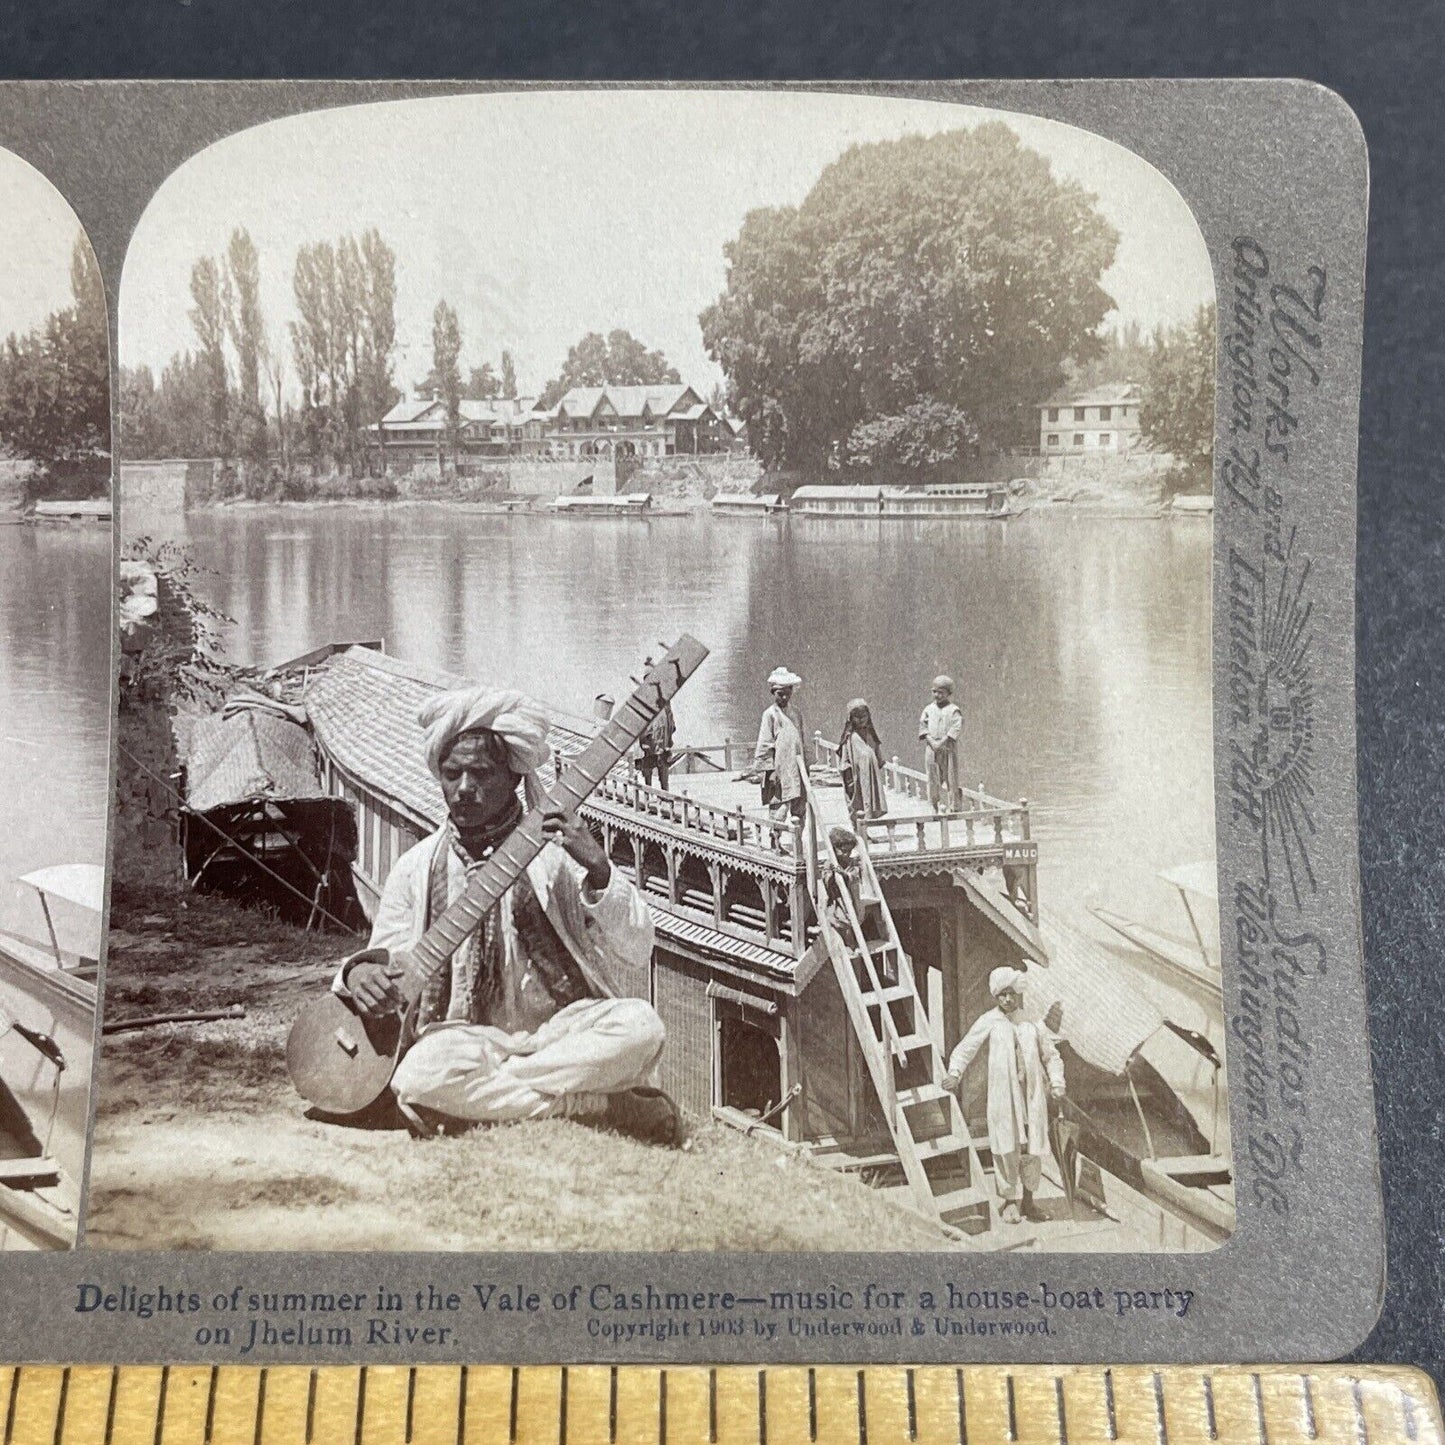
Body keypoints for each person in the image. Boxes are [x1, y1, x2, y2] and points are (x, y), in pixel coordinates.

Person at [335, 686, 681, 1146]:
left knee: (642, 1027)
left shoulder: (557, 858)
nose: (463, 789)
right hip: (464, 1040)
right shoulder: (417, 868)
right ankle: (598, 1105)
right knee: (417, 1075)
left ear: (514, 777)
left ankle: (489, 1100)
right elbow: (387, 958)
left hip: (563, 1032)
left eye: (480, 773)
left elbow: (638, 948)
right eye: (452, 773)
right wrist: (360, 972)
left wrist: (599, 867)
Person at [941, 966, 1065, 1225]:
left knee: (1032, 1148)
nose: (1008, 999)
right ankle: (1009, 1201)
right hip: (1004, 1097)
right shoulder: (990, 1021)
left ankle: (1029, 1202)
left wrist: (1056, 1081)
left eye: (1012, 994)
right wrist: (955, 1072)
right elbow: (966, 1047)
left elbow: (1050, 1054)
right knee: (1006, 1147)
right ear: (996, 996)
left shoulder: (1030, 1021)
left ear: (1018, 994)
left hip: (1030, 1097)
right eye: (1003, 995)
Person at [754, 667, 806, 822]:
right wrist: (770, 771)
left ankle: (797, 841)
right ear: (773, 693)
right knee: (779, 807)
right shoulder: (769, 714)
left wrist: (807, 765)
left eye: (787, 694)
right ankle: (775, 842)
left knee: (800, 806)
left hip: (796, 765)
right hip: (779, 768)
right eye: (780, 694)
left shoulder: (796, 713)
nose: (784, 697)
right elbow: (765, 743)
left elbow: (803, 738)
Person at [918, 675, 964, 812]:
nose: (937, 695)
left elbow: (955, 728)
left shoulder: (953, 710)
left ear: (948, 693)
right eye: (934, 691)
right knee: (932, 776)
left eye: (941, 692)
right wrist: (932, 742)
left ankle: (954, 806)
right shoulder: (928, 709)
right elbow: (923, 727)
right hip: (931, 748)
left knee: (951, 776)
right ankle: (934, 804)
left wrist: (942, 742)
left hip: (948, 748)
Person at [837, 698, 887, 825]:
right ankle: (857, 829)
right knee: (856, 803)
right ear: (850, 718)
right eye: (856, 716)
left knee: (869, 802)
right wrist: (848, 778)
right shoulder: (849, 737)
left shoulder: (871, 735)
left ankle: (865, 830)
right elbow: (844, 759)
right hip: (855, 777)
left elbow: (877, 753)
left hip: (869, 776)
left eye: (863, 716)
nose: (860, 719)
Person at [634, 659, 676, 791]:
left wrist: (669, 740)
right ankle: (648, 795)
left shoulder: (664, 700)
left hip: (662, 740)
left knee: (663, 771)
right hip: (648, 742)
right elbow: (638, 723)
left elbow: (670, 720)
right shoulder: (642, 699)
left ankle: (666, 796)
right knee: (647, 771)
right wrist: (643, 741)